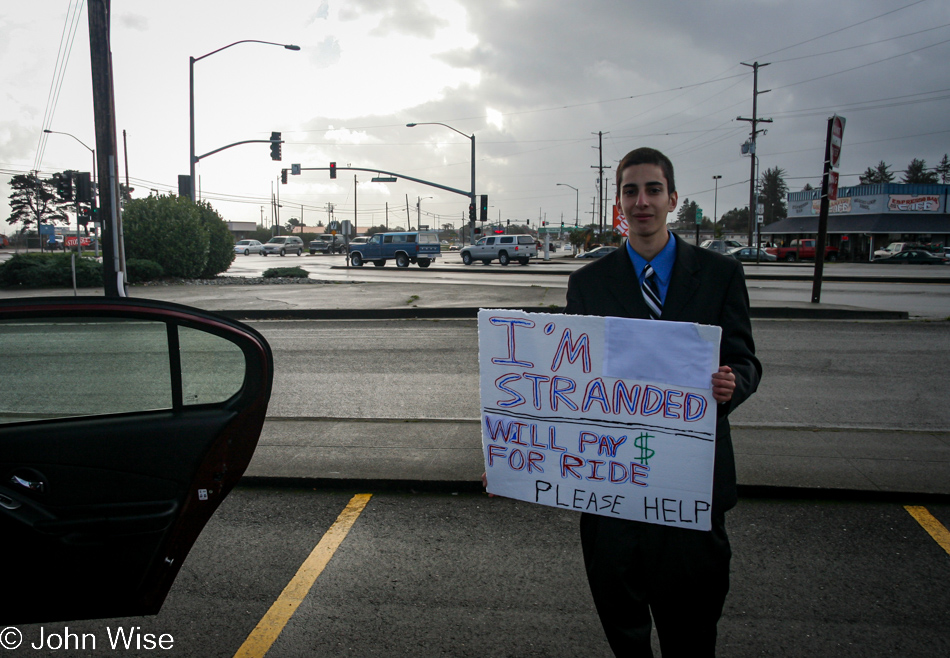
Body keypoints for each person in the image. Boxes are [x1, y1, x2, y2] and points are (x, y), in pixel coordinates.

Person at [565, 147, 761, 657]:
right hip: (612, 493)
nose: (642, 201)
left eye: (653, 189)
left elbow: (745, 360)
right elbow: (569, 384)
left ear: (672, 199)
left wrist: (731, 384)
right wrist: (509, 460)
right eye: (631, 191)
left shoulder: (720, 276)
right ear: (619, 204)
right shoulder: (587, 284)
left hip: (690, 486)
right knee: (623, 629)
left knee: (692, 631)